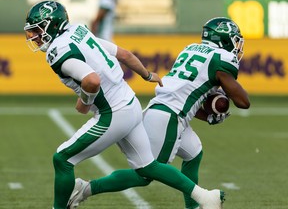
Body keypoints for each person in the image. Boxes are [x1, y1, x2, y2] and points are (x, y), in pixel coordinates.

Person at [24, 1, 225, 209]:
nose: (34, 37)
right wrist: (147, 75)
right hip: (131, 103)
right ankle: (205, 197)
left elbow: (91, 81)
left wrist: (84, 103)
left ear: (52, 25)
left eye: (37, 30)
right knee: (148, 167)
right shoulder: (78, 32)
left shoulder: (57, 50)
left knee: (62, 159)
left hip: (113, 113)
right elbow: (124, 55)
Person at [66, 17, 250, 209]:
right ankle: (85, 188)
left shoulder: (191, 49)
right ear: (224, 39)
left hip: (164, 110)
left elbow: (186, 97)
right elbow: (243, 102)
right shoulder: (221, 58)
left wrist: (207, 114)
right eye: (234, 40)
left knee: (193, 153)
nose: (236, 46)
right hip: (168, 117)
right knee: (145, 174)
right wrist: (223, 98)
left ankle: (193, 207)